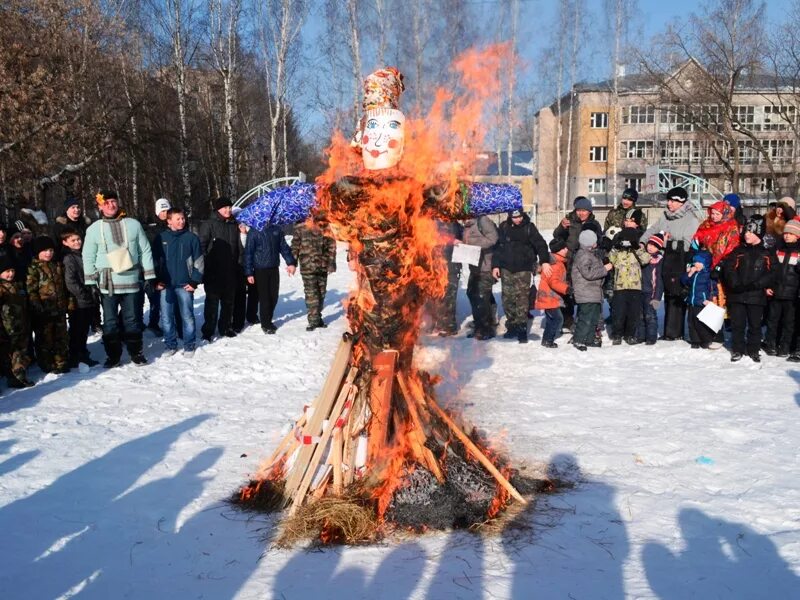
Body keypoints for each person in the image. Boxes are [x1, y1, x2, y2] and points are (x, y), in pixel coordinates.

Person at [83, 190, 155, 367]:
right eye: (106, 203)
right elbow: (88, 255)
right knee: (110, 322)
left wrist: (149, 274)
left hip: (131, 280)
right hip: (108, 283)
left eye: (113, 201)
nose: (110, 205)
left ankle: (136, 353)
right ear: (100, 207)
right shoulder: (93, 229)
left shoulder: (133, 224)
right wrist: (91, 281)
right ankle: (113, 356)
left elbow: (144, 249)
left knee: (131, 320)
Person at [642, 186, 701, 341]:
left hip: (681, 260)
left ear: (681, 202)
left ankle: (675, 331)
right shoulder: (665, 216)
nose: (669, 204)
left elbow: (688, 243)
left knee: (677, 293)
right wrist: (642, 241)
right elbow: (653, 230)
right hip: (666, 259)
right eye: (668, 200)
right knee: (668, 293)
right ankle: (669, 330)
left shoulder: (691, 219)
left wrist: (667, 241)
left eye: (673, 201)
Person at [719, 215, 777, 363]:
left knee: (755, 325)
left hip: (756, 295)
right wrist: (735, 283)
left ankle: (753, 349)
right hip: (737, 295)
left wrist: (757, 285)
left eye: (750, 232)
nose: (746, 235)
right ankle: (737, 349)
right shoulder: (738, 251)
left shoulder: (766, 252)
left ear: (758, 233)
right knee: (738, 324)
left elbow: (772, 273)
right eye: (745, 232)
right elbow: (729, 269)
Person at [492, 208, 550, 343]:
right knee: (508, 299)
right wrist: (495, 265)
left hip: (523, 269)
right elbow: (498, 248)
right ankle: (511, 325)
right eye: (514, 217)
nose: (518, 220)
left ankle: (521, 328)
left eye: (520, 217)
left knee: (522, 299)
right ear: (510, 217)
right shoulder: (504, 227)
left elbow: (540, 245)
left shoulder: (529, 228)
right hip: (506, 268)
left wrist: (544, 261)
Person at [153, 208, 203, 357]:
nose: (181, 221)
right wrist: (156, 280)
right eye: (178, 219)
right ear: (169, 221)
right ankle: (170, 345)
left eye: (182, 218)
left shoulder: (191, 238)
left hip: (184, 284)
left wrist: (194, 281)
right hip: (166, 285)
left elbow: (199, 262)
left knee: (187, 316)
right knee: (166, 317)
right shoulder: (160, 238)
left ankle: (189, 345)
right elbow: (155, 261)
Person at [553, 196, 604, 331]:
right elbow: (557, 236)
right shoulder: (569, 221)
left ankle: (586, 321)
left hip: (586, 261)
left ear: (589, 211)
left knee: (586, 292)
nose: (581, 213)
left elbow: (600, 240)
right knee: (567, 292)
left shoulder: (595, 224)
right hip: (569, 261)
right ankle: (567, 320)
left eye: (584, 210)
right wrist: (562, 227)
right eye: (579, 210)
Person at [26, 236, 70, 373]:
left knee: (61, 336)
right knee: (45, 339)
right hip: (44, 311)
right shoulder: (33, 268)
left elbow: (63, 286)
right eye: (45, 250)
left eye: (50, 250)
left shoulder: (57, 265)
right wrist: (38, 307)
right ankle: (46, 362)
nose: (48, 253)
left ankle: (60, 361)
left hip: (59, 309)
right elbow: (31, 291)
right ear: (38, 251)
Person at [199, 197, 240, 341]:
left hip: (230, 270)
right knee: (212, 303)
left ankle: (225, 327)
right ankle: (208, 330)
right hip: (213, 271)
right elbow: (202, 246)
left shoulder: (234, 224)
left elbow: (239, 247)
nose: (228, 210)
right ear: (218, 209)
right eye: (225, 208)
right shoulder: (209, 224)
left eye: (230, 207)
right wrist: (206, 266)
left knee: (228, 302)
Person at [244, 222, 296, 334]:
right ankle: (266, 323)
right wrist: (249, 273)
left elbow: (284, 248)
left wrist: (291, 262)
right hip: (260, 269)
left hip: (273, 268)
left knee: (274, 296)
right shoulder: (254, 231)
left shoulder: (276, 229)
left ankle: (267, 317)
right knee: (264, 297)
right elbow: (248, 253)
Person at [290, 212, 338, 331]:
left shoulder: (324, 225)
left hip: (322, 266)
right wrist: (292, 263)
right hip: (307, 266)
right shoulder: (300, 227)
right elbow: (295, 246)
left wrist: (331, 263)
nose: (311, 214)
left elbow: (331, 245)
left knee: (321, 293)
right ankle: (313, 320)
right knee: (312, 295)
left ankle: (317, 317)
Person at [60, 228, 99, 367]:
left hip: (87, 297)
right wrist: (83, 294)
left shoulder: (82, 254)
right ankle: (77, 355)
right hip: (77, 300)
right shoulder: (69, 258)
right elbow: (70, 281)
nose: (77, 242)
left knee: (83, 328)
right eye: (73, 240)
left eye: (78, 239)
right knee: (78, 329)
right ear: (65, 242)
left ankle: (81, 352)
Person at [571, 230, 613, 350]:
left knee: (593, 318)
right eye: (594, 241)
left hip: (593, 292)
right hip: (585, 293)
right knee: (585, 318)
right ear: (589, 243)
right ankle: (579, 340)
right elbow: (588, 274)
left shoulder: (590, 254)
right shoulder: (583, 255)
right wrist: (605, 269)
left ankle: (589, 339)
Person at [607, 226, 650, 345]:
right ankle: (617, 334)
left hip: (635, 287)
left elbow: (646, 259)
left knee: (633, 313)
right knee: (618, 313)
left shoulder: (637, 251)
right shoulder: (618, 251)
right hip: (620, 287)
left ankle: (630, 334)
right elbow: (610, 259)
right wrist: (616, 247)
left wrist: (636, 247)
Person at [764, 218, 800, 357]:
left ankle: (785, 347)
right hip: (776, 291)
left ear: (797, 235)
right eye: (785, 233)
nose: (787, 236)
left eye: (790, 234)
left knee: (789, 323)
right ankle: (770, 344)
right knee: (772, 320)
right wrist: (767, 286)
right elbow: (769, 270)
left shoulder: (798, 252)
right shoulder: (778, 249)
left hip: (792, 295)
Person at [462, 216, 499, 341]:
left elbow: (493, 239)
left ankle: (486, 330)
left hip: (486, 267)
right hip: (475, 268)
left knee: (482, 298)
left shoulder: (483, 221)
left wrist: (470, 243)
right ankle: (480, 326)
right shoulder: (466, 225)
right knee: (472, 294)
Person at [0, 256, 34, 388]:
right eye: (7, 271)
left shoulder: (18, 285)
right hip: (6, 328)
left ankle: (19, 375)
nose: (10, 274)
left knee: (20, 351)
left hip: (21, 326)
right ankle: (14, 377)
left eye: (12, 271)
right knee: (10, 353)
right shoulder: (1, 288)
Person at [426, 219, 462, 336]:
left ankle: (449, 327)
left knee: (449, 298)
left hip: (451, 267)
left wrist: (456, 241)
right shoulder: (432, 223)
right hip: (435, 267)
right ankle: (438, 324)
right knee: (436, 297)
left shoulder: (454, 225)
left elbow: (462, 240)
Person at [143, 198, 173, 336]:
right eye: (162, 211)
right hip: (154, 267)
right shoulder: (151, 229)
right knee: (154, 298)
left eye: (167, 210)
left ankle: (165, 321)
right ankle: (153, 323)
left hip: (169, 266)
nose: (165, 213)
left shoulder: (173, 225)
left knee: (167, 298)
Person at [535, 238, 569, 348]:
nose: (566, 249)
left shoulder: (558, 261)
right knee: (558, 319)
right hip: (549, 297)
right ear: (558, 250)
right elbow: (554, 283)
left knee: (551, 318)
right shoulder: (554, 264)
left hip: (550, 297)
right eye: (564, 248)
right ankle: (548, 339)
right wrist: (566, 289)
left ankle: (547, 339)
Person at [680, 248, 717, 349]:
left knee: (700, 323)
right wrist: (689, 273)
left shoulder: (708, 274)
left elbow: (713, 287)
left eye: (699, 262)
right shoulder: (694, 273)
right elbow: (683, 281)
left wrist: (711, 299)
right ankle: (695, 340)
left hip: (702, 302)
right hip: (692, 301)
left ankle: (706, 340)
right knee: (691, 322)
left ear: (705, 263)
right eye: (695, 261)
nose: (696, 264)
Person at [232, 221, 260, 331]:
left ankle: (252, 316)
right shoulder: (234, 231)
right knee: (240, 294)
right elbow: (244, 248)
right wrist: (243, 234)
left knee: (254, 292)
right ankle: (238, 321)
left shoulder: (251, 230)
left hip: (253, 265)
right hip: (239, 266)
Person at [638, 233, 665, 345]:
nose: (650, 247)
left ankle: (651, 337)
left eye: (654, 246)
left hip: (651, 292)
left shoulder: (659, 260)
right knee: (640, 315)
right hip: (640, 290)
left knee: (650, 316)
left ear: (658, 248)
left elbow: (659, 280)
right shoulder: (643, 257)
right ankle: (641, 336)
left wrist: (657, 297)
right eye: (649, 244)